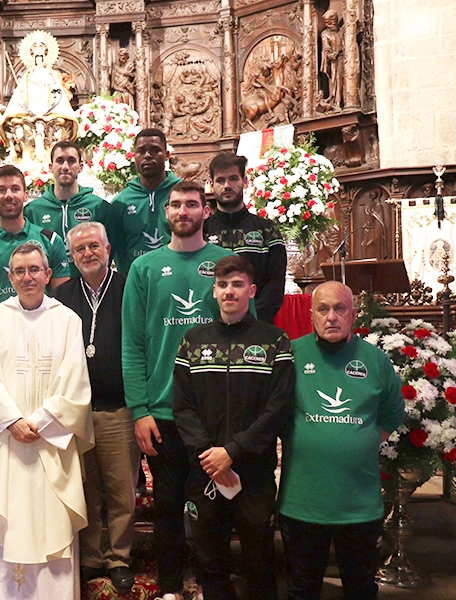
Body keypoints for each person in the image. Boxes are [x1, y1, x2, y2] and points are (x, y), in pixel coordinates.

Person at [121, 180, 239, 598]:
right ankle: (169, 588)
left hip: (215, 413)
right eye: (176, 204)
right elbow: (133, 344)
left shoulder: (227, 264)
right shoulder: (144, 268)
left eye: (192, 204)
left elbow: (248, 338)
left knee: (213, 509)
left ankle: (213, 587)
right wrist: (139, 409)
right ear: (165, 212)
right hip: (163, 413)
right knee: (168, 504)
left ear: (205, 211)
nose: (183, 210)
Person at [0, 242, 93, 599]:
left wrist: (37, 422)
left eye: (35, 270)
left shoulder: (67, 320)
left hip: (49, 443)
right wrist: (11, 421)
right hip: (6, 442)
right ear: (9, 276)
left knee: (49, 524)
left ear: (48, 274)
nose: (27, 277)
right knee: (2, 525)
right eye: (19, 271)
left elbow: (75, 380)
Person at [172, 255, 294, 600]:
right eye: (223, 285)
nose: (230, 291)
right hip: (205, 472)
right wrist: (208, 456)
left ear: (252, 290)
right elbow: (183, 406)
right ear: (213, 291)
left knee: (259, 562)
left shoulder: (275, 341)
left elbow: (278, 407)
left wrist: (233, 451)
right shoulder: (193, 340)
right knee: (210, 565)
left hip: (252, 473)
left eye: (237, 284)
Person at [278, 281, 405, 600]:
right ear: (311, 315)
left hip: (358, 506)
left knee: (361, 589)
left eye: (340, 308)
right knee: (302, 589)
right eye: (323, 309)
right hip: (303, 503)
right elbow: (272, 411)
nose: (331, 316)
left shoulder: (375, 360)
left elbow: (392, 412)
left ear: (353, 314)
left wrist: (356, 442)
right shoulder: (291, 354)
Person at [51, 222, 137, 594]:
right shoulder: (63, 295)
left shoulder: (128, 288)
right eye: (80, 249)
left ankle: (119, 557)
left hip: (119, 408)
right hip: (76, 412)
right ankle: (88, 556)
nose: (87, 253)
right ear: (70, 256)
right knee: (84, 488)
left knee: (121, 491)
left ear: (108, 248)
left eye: (93, 246)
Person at [0, 164, 70, 333]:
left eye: (15, 189)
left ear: (25, 195)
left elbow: (64, 300)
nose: (9, 195)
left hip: (44, 334)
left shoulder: (50, 240)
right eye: (2, 190)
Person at [203, 152, 287, 323]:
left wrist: (251, 320)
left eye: (233, 179)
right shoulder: (201, 231)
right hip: (209, 328)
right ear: (211, 185)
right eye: (220, 180)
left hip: (256, 327)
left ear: (245, 181)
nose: (227, 185)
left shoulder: (268, 231)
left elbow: (275, 286)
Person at [24, 141, 117, 278]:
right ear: (51, 167)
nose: (65, 167)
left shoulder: (99, 207)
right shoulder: (32, 211)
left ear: (80, 167)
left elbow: (110, 250)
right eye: (60, 161)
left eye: (71, 161)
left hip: (89, 288)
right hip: (48, 291)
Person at [112, 128, 183, 273]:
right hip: (136, 278)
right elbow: (117, 248)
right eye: (141, 151)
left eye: (155, 150)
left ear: (167, 155)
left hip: (177, 273)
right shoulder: (121, 202)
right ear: (134, 156)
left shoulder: (182, 193)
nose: (148, 155)